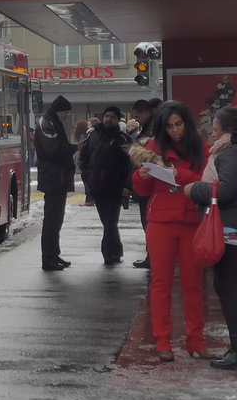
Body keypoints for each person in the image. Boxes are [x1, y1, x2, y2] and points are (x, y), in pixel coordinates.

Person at [185, 105, 237, 371]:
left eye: (217, 126)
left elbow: (226, 190)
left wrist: (194, 189)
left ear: (227, 128)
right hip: (234, 222)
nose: (213, 130)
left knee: (228, 286)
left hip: (230, 224)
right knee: (226, 285)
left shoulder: (233, 152)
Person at [134, 101, 212, 362]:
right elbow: (142, 191)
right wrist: (141, 178)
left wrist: (179, 174)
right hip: (161, 223)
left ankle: (195, 340)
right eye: (169, 126)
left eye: (178, 124)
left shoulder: (202, 148)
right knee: (161, 283)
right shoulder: (152, 149)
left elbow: (206, 181)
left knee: (193, 284)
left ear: (186, 123)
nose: (175, 130)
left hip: (191, 221)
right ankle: (163, 342)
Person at [78, 106, 131, 265]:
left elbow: (129, 163)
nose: (108, 119)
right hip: (98, 186)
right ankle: (115, 250)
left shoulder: (122, 138)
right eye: (106, 116)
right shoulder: (93, 135)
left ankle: (110, 253)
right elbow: (84, 157)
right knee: (107, 220)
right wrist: (87, 175)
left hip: (115, 187)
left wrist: (126, 185)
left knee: (110, 220)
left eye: (112, 117)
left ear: (117, 119)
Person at [34, 95, 76, 271]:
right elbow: (53, 149)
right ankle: (48, 259)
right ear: (59, 110)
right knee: (51, 218)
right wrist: (76, 147)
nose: (66, 116)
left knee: (56, 218)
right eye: (65, 113)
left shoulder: (52, 122)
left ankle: (53, 255)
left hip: (57, 176)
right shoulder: (47, 123)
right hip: (53, 177)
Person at [127, 98, 160, 269]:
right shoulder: (151, 127)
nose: (137, 120)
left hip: (148, 182)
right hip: (147, 181)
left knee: (148, 222)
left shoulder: (152, 130)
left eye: (138, 116)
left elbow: (147, 154)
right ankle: (152, 255)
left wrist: (132, 150)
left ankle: (152, 256)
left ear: (148, 112)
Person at [72, 118, 94, 206]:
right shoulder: (88, 135)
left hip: (84, 162)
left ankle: (89, 199)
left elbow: (81, 150)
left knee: (86, 181)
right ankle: (90, 199)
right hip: (86, 162)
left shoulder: (83, 136)